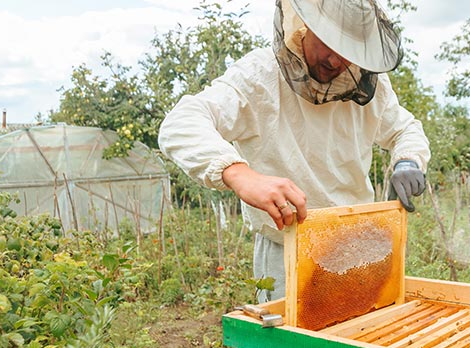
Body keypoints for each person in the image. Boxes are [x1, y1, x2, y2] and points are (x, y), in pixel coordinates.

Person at [158, 0, 431, 302]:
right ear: (305, 24)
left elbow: (405, 128)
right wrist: (238, 173)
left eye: (350, 49)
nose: (336, 59)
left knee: (360, 343)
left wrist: (408, 160)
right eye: (330, 42)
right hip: (287, 249)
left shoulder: (369, 85)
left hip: (359, 245)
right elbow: (181, 123)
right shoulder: (258, 75)